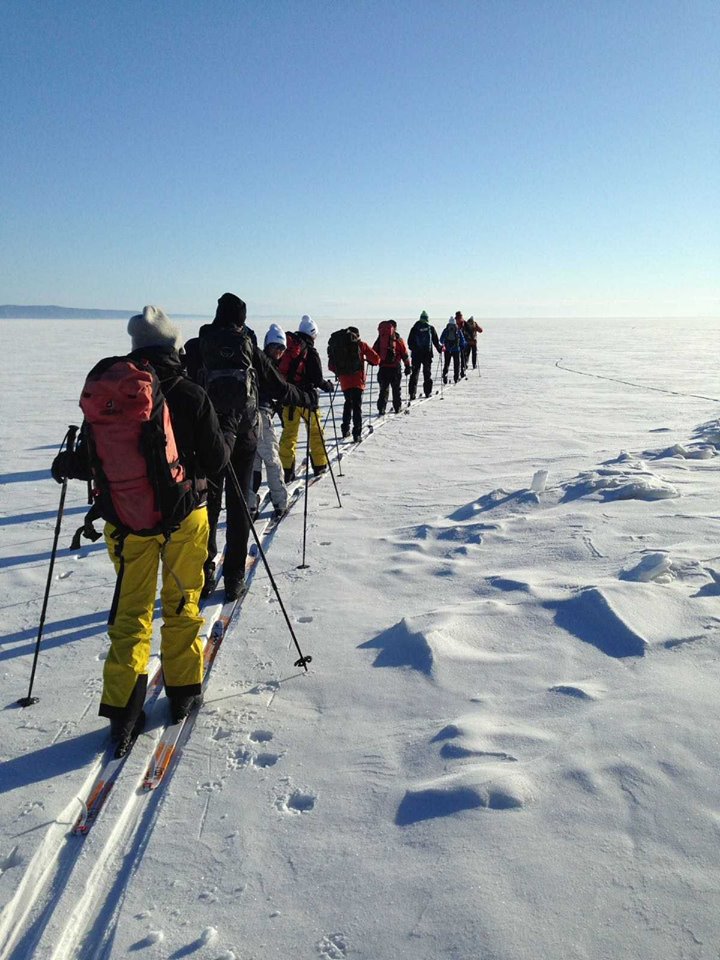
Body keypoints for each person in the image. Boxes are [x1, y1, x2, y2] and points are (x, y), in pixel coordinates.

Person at [51, 306, 237, 749]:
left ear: (136, 347)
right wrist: (227, 434)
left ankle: (123, 712)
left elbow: (92, 461)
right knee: (181, 605)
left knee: (130, 614)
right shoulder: (190, 393)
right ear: (174, 346)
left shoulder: (113, 394)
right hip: (185, 519)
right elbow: (217, 462)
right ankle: (182, 692)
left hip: (127, 521)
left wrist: (67, 463)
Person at [278, 314, 333, 481]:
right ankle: (319, 466)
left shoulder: (288, 348)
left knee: (289, 435)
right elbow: (318, 379)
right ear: (312, 334)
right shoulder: (311, 352)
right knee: (316, 433)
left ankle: (286, 471)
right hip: (308, 400)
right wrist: (327, 386)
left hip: (289, 400)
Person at [249, 324, 291, 521]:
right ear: (267, 346)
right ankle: (280, 502)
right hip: (261, 416)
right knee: (272, 460)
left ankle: (250, 503)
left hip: (249, 417)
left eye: (282, 348)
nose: (279, 351)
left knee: (253, 462)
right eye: (275, 347)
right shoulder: (266, 366)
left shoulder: (257, 362)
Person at [327, 326, 380, 442]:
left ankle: (345, 429)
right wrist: (370, 361)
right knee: (357, 406)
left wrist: (340, 372)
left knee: (348, 403)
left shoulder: (339, 346)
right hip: (358, 380)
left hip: (344, 381)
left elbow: (331, 366)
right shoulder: (361, 345)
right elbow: (376, 359)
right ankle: (357, 434)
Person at [373, 319, 411, 415]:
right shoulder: (398, 339)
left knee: (383, 389)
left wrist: (372, 361)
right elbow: (404, 354)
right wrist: (407, 366)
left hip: (383, 368)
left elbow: (374, 351)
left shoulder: (380, 339)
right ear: (394, 328)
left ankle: (381, 408)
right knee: (396, 389)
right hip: (395, 368)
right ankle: (397, 407)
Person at [407, 310, 442, 400]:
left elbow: (409, 342)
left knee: (414, 374)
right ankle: (427, 392)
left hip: (416, 355)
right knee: (427, 374)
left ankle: (412, 393)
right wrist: (440, 349)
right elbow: (435, 341)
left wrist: (415, 349)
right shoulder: (430, 328)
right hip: (427, 354)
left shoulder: (414, 328)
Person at [440, 315, 467, 384]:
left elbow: (441, 339)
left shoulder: (446, 330)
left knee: (446, 364)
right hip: (456, 350)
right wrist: (463, 345)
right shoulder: (458, 330)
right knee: (456, 364)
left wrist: (444, 344)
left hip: (447, 350)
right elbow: (462, 340)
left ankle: (445, 375)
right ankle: (456, 378)